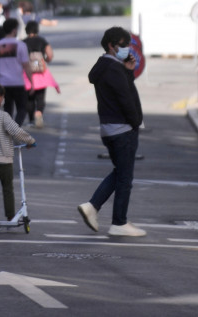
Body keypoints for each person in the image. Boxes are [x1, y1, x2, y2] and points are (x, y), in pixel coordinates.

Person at [78, 26, 145, 237]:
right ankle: (119, 222)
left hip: (108, 128)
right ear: (111, 46)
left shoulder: (105, 66)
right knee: (125, 178)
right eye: (124, 45)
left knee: (120, 173)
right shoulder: (114, 69)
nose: (128, 49)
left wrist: (128, 71)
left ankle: (93, 207)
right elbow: (126, 98)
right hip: (122, 128)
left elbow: (122, 90)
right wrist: (136, 122)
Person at [0, 83, 36, 225]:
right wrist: (30, 141)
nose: (4, 98)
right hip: (4, 159)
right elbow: (16, 131)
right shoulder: (3, 116)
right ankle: (10, 217)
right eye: (3, 96)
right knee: (7, 188)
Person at [0, 19, 33, 126]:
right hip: (18, 82)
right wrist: (32, 83)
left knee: (7, 109)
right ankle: (15, 128)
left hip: (3, 83)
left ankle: (9, 130)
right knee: (22, 109)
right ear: (14, 30)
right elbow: (26, 66)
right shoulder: (21, 45)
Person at [23, 20, 60, 128]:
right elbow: (50, 55)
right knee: (40, 97)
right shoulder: (42, 41)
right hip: (40, 73)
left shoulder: (23, 42)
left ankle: (30, 120)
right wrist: (46, 60)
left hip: (27, 73)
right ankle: (38, 112)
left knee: (29, 98)